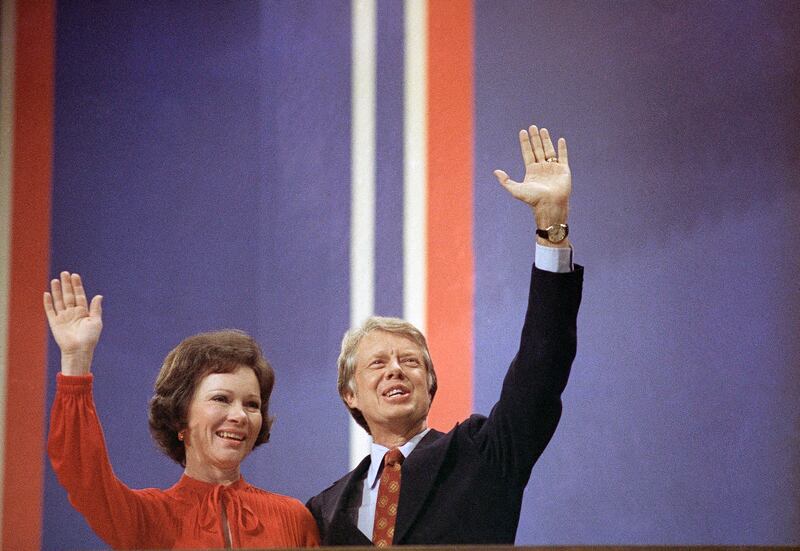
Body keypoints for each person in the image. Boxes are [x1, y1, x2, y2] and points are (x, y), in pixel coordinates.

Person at [306, 123, 584, 546]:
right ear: (350, 394)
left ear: (430, 383)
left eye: (410, 361)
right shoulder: (321, 511)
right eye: (377, 363)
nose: (395, 370)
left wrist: (552, 227)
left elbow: (540, 370)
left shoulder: (483, 455)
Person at [44, 273, 320, 549]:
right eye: (221, 399)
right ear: (180, 416)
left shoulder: (293, 518)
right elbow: (82, 472)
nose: (239, 416)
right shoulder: (146, 518)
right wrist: (75, 359)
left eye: (252, 404)